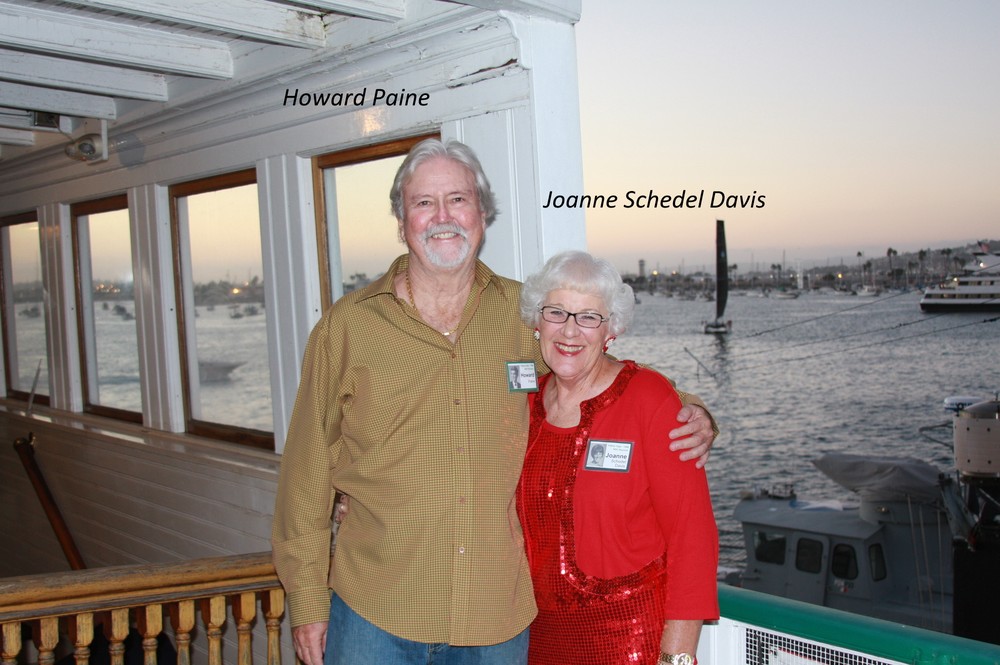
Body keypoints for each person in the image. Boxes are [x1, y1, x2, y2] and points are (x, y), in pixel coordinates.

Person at [271, 139, 717, 665]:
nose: (443, 216)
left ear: (482, 215)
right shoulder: (347, 327)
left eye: (458, 199)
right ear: (401, 221)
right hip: (375, 609)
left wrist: (690, 410)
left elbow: (592, 366)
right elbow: (306, 475)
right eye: (424, 202)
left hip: (495, 619)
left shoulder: (524, 316)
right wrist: (307, 601)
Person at [516, 250, 719, 665]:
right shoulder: (524, 406)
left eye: (589, 317)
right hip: (538, 641)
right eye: (557, 312)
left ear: (611, 330)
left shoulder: (648, 398)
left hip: (631, 640)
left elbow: (692, 536)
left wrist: (677, 658)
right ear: (538, 322)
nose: (570, 330)